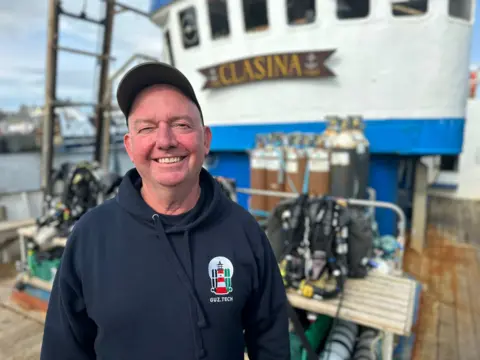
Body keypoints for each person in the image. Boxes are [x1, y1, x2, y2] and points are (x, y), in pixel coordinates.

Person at [40, 62, 290, 360]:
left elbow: (272, 341)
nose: (165, 141)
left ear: (206, 139)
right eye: (147, 128)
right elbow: (63, 351)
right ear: (130, 147)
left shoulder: (243, 230)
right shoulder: (90, 236)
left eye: (181, 125)